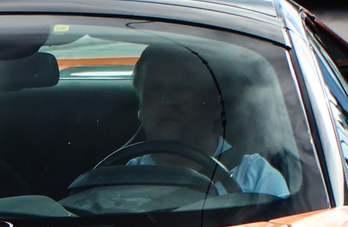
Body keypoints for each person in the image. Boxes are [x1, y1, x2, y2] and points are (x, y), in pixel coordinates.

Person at [118, 44, 288, 198]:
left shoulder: (257, 179)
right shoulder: (121, 182)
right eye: (154, 90)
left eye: (183, 88)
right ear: (140, 108)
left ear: (215, 106)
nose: (166, 101)